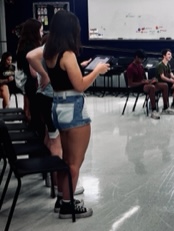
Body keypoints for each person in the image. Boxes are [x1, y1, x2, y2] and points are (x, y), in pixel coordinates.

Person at [27, 10, 109, 219]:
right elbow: (80, 85)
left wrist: (49, 74)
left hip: (58, 106)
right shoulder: (68, 54)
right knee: (75, 162)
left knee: (66, 159)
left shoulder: (50, 53)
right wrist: (97, 70)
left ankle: (63, 197)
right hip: (73, 109)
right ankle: (67, 205)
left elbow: (36, 59)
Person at [126, 49, 174, 119]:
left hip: (144, 84)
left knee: (165, 85)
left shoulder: (140, 66)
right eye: (141, 59)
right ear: (136, 57)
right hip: (137, 86)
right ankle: (153, 110)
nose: (142, 61)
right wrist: (142, 82)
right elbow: (130, 84)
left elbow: (144, 79)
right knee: (151, 87)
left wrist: (151, 80)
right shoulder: (130, 68)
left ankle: (165, 108)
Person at [16, 18, 44, 134]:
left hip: (29, 85)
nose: (42, 34)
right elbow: (34, 72)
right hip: (34, 85)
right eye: (41, 31)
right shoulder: (32, 49)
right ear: (34, 32)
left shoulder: (22, 47)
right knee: (38, 120)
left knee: (33, 116)